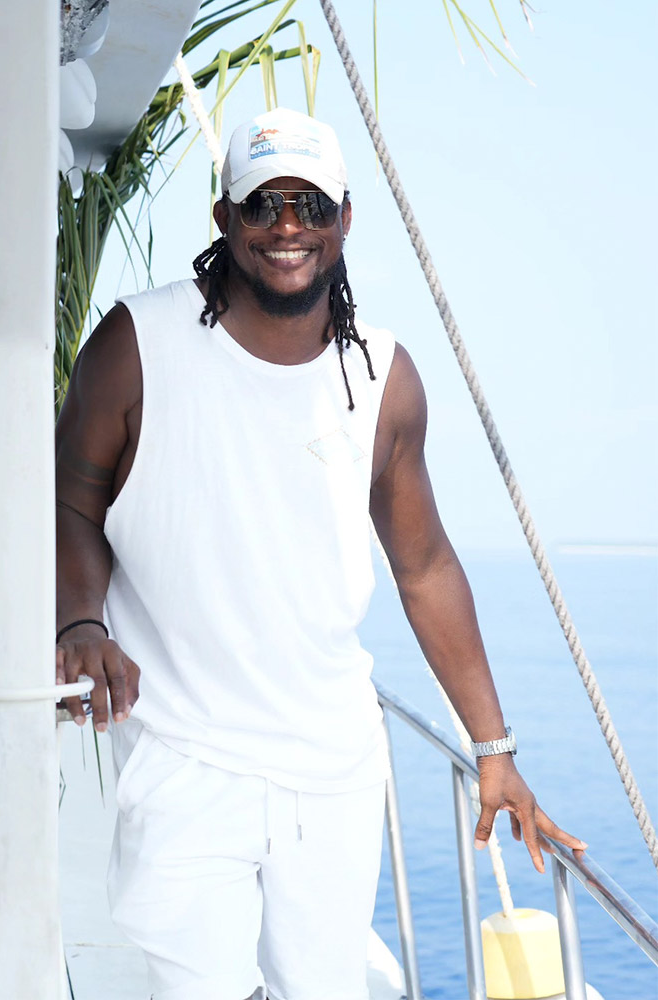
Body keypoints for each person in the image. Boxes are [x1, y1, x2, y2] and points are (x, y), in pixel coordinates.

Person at [55, 107, 585, 1000]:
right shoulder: (135, 345)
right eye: (263, 204)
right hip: (184, 753)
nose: (287, 227)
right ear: (224, 217)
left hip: (333, 764)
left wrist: (492, 747)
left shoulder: (382, 376)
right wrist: (79, 624)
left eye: (310, 205)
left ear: (345, 217)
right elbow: (71, 501)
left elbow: (425, 566)